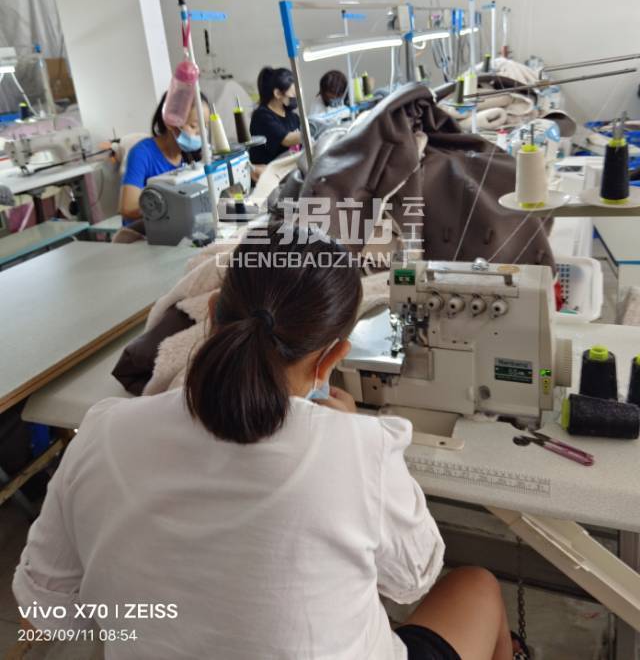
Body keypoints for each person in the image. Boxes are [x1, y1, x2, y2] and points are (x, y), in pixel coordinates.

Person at [13, 224, 521, 660]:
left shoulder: (103, 432)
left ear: (212, 314)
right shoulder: (358, 449)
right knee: (476, 587)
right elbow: (414, 579)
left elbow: (44, 612)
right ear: (333, 357)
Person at [118, 91, 209, 225]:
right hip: (144, 232)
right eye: (194, 126)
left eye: (205, 126)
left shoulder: (189, 156)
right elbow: (127, 207)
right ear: (170, 123)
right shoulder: (142, 153)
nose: (201, 133)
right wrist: (170, 207)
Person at [249, 67, 301, 172]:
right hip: (268, 175)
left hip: (289, 171)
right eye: (292, 95)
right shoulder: (262, 116)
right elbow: (286, 140)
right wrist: (312, 131)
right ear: (277, 94)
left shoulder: (292, 116)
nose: (295, 98)